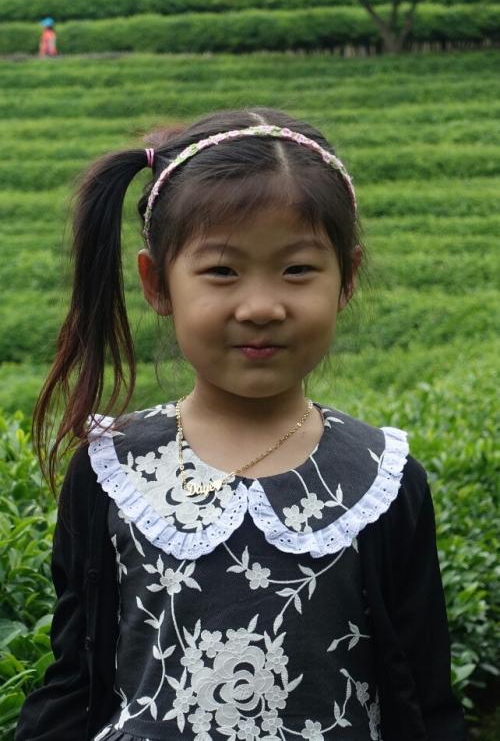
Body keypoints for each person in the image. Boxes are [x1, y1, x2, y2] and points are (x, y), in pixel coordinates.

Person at [15, 107, 468, 741]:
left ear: (347, 278)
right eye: (222, 271)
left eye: (298, 269)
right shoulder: (112, 469)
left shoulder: (382, 481)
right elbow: (75, 679)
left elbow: (423, 695)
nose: (261, 307)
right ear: (157, 283)